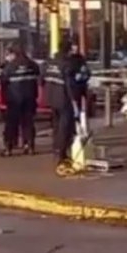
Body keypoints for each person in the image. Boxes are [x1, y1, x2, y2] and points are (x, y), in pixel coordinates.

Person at [41, 41, 80, 177]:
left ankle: (56, 149)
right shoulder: (66, 65)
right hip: (63, 100)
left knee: (56, 126)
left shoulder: (49, 63)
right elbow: (70, 85)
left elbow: (41, 79)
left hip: (51, 99)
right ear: (68, 51)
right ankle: (61, 155)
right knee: (65, 128)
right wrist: (74, 101)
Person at [0, 45, 40, 156]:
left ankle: (8, 148)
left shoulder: (10, 66)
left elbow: (3, 79)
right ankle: (30, 146)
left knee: (11, 124)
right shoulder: (32, 65)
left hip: (14, 99)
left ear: (14, 54)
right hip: (30, 98)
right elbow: (38, 76)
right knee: (28, 123)